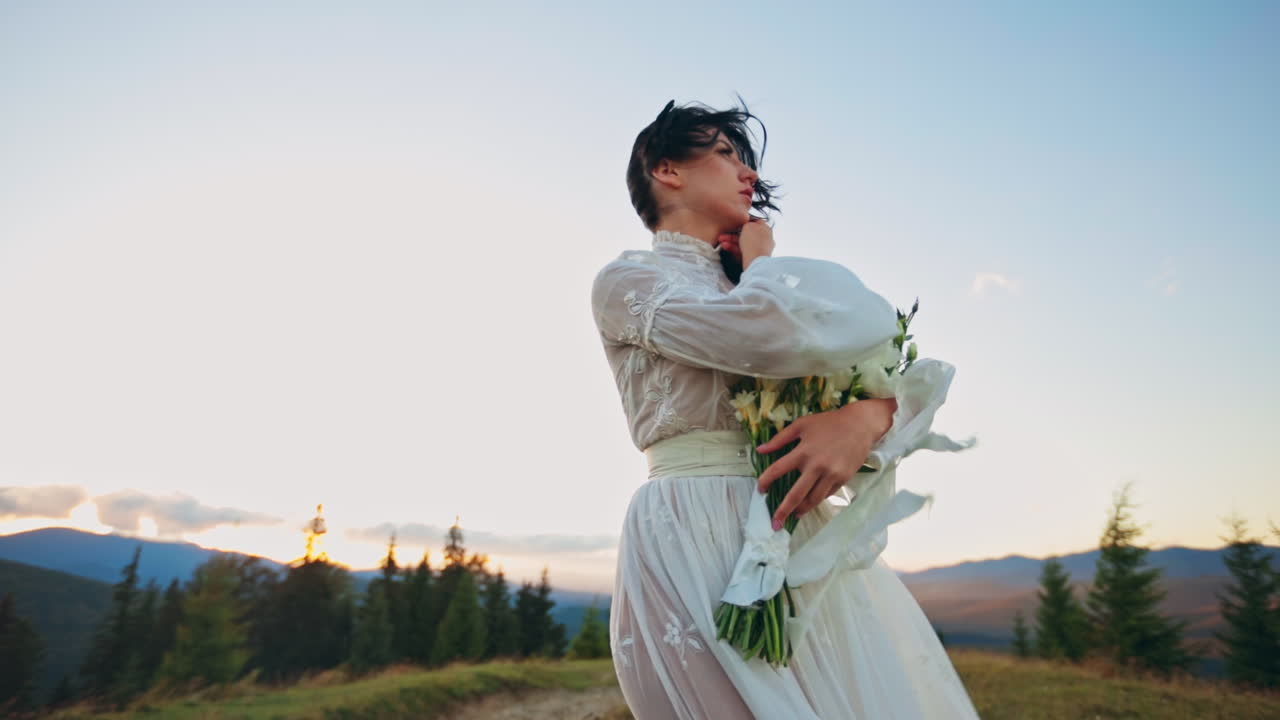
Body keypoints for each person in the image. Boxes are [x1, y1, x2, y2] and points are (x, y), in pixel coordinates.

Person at [590, 97, 981, 719]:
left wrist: (864, 419)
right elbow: (762, 336)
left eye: (746, 161)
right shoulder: (628, 282)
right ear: (664, 168)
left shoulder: (753, 285)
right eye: (724, 153)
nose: (747, 173)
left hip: (796, 530)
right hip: (692, 527)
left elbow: (889, 385)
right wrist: (762, 262)